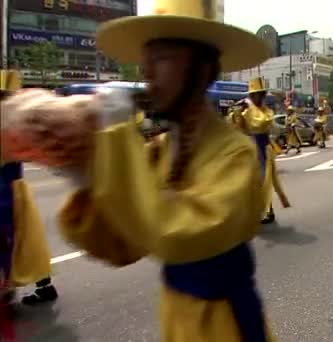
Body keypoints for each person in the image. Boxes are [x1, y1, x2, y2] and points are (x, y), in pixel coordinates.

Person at [1, 1, 276, 340]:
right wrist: (82, 169)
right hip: (178, 320)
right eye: (145, 59)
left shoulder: (236, 154)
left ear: (202, 69)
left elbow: (175, 236)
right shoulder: (161, 150)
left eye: (160, 58)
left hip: (228, 327)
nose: (145, 71)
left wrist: (116, 137)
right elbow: (120, 246)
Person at [0, 69, 58, 312]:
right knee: (28, 243)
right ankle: (35, 287)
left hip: (7, 191)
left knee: (17, 241)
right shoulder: (12, 118)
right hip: (14, 188)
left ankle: (7, 292)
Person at [242, 77, 291, 224]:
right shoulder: (247, 110)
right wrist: (237, 113)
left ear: (262, 95)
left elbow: (261, 122)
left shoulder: (267, 112)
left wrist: (248, 109)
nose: (254, 97)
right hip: (250, 149)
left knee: (265, 180)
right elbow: (235, 125)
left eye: (257, 94)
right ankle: (258, 210)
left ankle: (268, 212)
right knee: (251, 182)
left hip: (263, 149)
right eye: (252, 95)